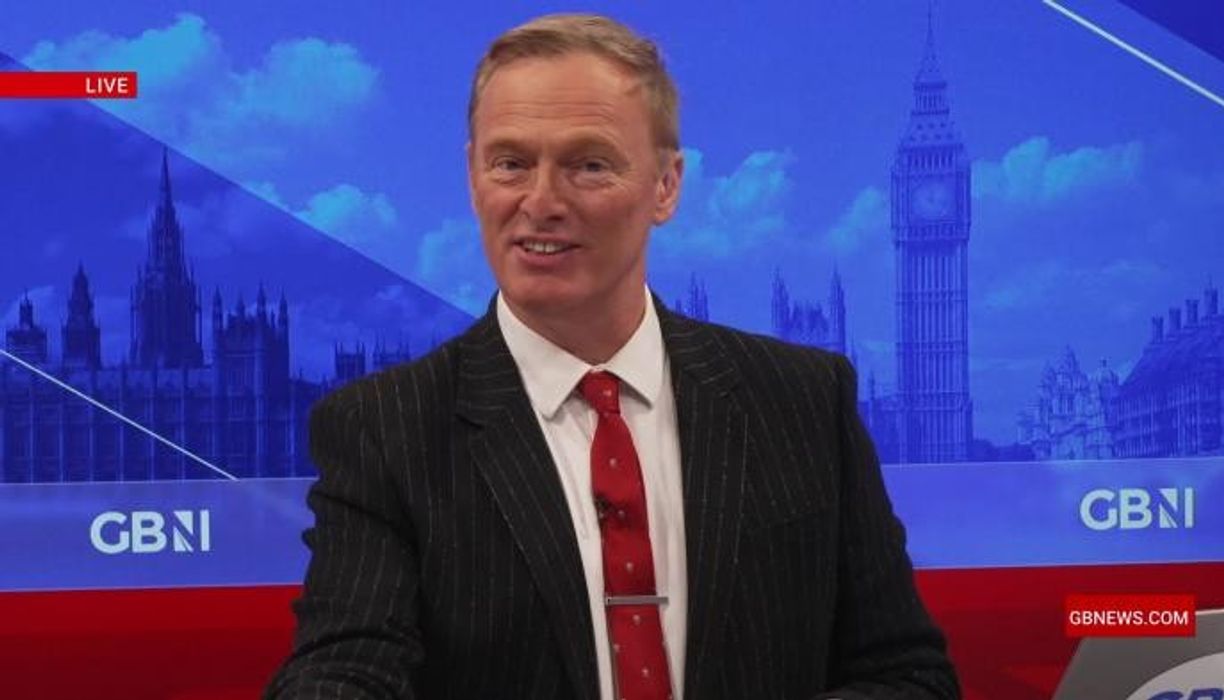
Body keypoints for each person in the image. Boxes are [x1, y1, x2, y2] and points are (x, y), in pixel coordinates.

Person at [266, 13, 959, 700]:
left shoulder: (804, 398)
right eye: (510, 162)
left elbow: (904, 675)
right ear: (472, 175)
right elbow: (344, 668)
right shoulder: (383, 428)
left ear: (666, 186)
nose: (540, 202)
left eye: (587, 165)